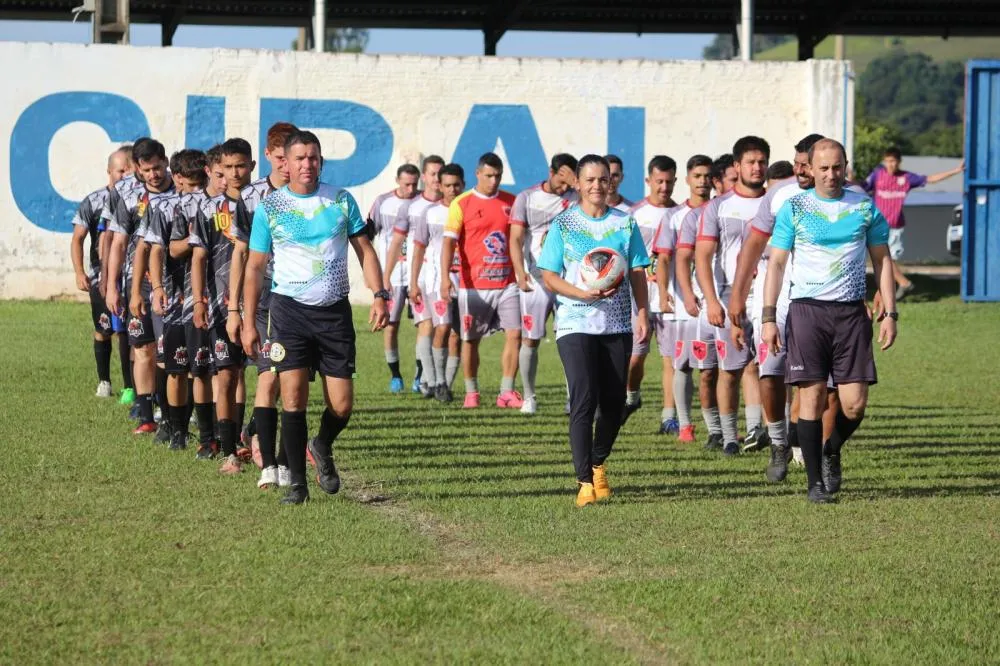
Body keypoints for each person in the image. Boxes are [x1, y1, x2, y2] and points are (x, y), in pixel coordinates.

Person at [242, 130, 389, 505]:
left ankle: (320, 444)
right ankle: (297, 485)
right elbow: (255, 267)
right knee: (293, 397)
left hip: (334, 314)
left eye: (313, 157)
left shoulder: (340, 200)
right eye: (300, 158)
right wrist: (245, 320)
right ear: (286, 164)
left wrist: (379, 295)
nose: (307, 164)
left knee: (341, 406)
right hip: (288, 312)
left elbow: (365, 251)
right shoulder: (271, 207)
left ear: (320, 161)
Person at [763, 138, 897, 503]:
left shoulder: (864, 207)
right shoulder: (795, 207)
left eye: (837, 167)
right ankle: (814, 485)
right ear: (809, 168)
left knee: (854, 404)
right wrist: (769, 317)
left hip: (852, 314)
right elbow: (775, 264)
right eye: (823, 168)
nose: (831, 175)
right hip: (807, 312)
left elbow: (883, 260)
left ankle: (830, 450)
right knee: (812, 397)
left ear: (846, 165)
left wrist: (891, 311)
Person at [537, 154, 650, 507]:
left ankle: (599, 462)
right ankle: (584, 480)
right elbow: (550, 275)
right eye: (590, 180)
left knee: (615, 404)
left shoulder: (625, 224)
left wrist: (642, 313)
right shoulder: (565, 224)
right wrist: (581, 293)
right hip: (575, 321)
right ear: (578, 184)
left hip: (616, 323)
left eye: (603, 179)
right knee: (584, 397)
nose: (598, 186)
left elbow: (636, 270)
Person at [729, 133, 824, 477]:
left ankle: (806, 443)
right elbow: (752, 248)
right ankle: (779, 442)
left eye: (804, 165)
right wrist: (738, 298)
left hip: (820, 298)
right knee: (770, 372)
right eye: (796, 163)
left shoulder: (845, 200)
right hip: (777, 295)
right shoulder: (779, 196)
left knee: (813, 378)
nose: (798, 171)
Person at [229, 122, 298, 488]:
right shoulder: (252, 197)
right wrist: (236, 309)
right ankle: (264, 449)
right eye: (284, 157)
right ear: (271, 156)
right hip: (265, 298)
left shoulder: (310, 196)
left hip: (300, 297)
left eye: (296, 156)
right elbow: (241, 253)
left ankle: (268, 436)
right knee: (269, 374)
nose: (290, 164)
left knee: (291, 377)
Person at [695, 137, 769, 456]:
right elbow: (702, 257)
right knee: (730, 370)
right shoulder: (718, 207)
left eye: (762, 161)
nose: (757, 167)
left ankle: (756, 430)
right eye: (751, 162)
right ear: (736, 167)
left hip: (768, 297)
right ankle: (728, 437)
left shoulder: (775, 202)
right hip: (729, 298)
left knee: (760, 366)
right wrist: (712, 301)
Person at [190, 137, 255, 475]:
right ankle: (229, 450)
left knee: (265, 373)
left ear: (252, 167)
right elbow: (199, 257)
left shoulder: (267, 204)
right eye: (228, 167)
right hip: (221, 304)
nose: (235, 173)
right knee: (227, 373)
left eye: (241, 166)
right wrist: (199, 300)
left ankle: (251, 436)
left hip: (263, 303)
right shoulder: (208, 209)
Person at [440, 152, 522, 409]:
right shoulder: (461, 204)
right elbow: (448, 243)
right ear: (477, 174)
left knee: (515, 334)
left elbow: (519, 240)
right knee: (470, 340)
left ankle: (506, 392)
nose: (494, 180)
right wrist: (445, 278)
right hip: (473, 285)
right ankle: (471, 393)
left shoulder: (512, 201)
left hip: (507, 283)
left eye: (498, 176)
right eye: (489, 176)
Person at [105, 138, 175, 435]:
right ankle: (147, 416)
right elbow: (119, 242)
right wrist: (111, 286)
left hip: (172, 283)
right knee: (142, 348)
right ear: (137, 169)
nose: (153, 175)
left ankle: (169, 411)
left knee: (167, 351)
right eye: (147, 170)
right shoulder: (128, 195)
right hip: (137, 285)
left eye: (157, 167)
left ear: (166, 162)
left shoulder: (181, 192)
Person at [673, 154, 737, 450]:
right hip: (705, 307)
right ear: (717, 182)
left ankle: (737, 434)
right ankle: (714, 430)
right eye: (732, 180)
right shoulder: (696, 217)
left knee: (740, 370)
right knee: (708, 371)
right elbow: (683, 260)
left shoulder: (753, 211)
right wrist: (688, 295)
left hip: (742, 302)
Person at [146, 149, 208, 451]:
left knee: (182, 368)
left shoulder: (212, 205)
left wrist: (156, 287)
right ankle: (180, 427)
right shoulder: (169, 207)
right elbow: (161, 250)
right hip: (184, 298)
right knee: (188, 368)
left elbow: (155, 251)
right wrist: (157, 286)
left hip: (193, 299)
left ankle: (179, 428)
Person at [509, 153, 579, 414]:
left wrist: (577, 186)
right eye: (561, 180)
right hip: (535, 281)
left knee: (572, 340)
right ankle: (529, 397)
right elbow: (516, 238)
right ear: (551, 171)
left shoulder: (577, 200)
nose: (564, 188)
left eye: (569, 182)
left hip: (567, 282)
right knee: (531, 339)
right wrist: (519, 272)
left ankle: (573, 398)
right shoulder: (526, 198)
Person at [652, 154, 713, 441]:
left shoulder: (719, 211)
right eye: (697, 176)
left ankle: (719, 427)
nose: (702, 181)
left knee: (715, 367)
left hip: (715, 301)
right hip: (683, 305)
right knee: (684, 364)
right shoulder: (673, 217)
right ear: (687, 180)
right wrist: (664, 294)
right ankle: (685, 425)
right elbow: (663, 259)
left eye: (706, 176)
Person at [71, 146, 132, 399]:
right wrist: (79, 272)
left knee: (127, 332)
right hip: (101, 277)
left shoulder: (135, 199)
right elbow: (78, 238)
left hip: (130, 276)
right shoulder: (94, 201)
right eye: (120, 170)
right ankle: (104, 382)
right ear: (109, 171)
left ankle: (130, 387)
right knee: (103, 329)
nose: (124, 175)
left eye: (129, 170)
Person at [861, 146, 963, 299]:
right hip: (878, 225)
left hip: (895, 227)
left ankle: (899, 286)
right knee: (883, 259)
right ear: (884, 161)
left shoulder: (906, 178)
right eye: (888, 161)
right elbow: (861, 186)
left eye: (894, 161)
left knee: (886, 260)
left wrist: (955, 171)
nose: (891, 165)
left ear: (899, 162)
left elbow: (930, 179)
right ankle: (896, 287)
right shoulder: (877, 175)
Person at [383, 155, 446, 397]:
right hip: (416, 278)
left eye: (440, 173)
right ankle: (417, 378)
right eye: (432, 173)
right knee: (423, 327)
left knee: (444, 330)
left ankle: (425, 378)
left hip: (442, 278)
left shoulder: (452, 206)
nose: (436, 179)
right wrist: (385, 276)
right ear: (425, 176)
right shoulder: (412, 207)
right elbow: (396, 242)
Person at [623, 155, 677, 424]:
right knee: (635, 359)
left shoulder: (680, 214)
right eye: (659, 182)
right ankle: (632, 396)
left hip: (669, 299)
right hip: (640, 299)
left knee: (671, 360)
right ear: (648, 181)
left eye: (669, 182)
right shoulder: (634, 215)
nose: (664, 188)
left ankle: (669, 417)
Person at [408, 163, 465, 402]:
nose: (452, 189)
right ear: (440, 186)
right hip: (435, 281)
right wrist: (413, 282)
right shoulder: (429, 213)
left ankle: (443, 385)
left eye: (456, 185)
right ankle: (435, 381)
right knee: (439, 327)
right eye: (448, 185)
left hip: (466, 281)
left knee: (457, 335)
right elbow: (419, 249)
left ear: (463, 185)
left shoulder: (469, 209)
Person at [369, 164, 421, 393]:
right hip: (392, 277)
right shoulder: (383, 202)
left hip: (420, 275)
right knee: (391, 325)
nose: (410, 188)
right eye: (406, 183)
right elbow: (367, 236)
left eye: (414, 184)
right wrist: (375, 274)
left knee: (424, 326)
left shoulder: (423, 203)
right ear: (397, 181)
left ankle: (420, 376)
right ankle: (396, 375)